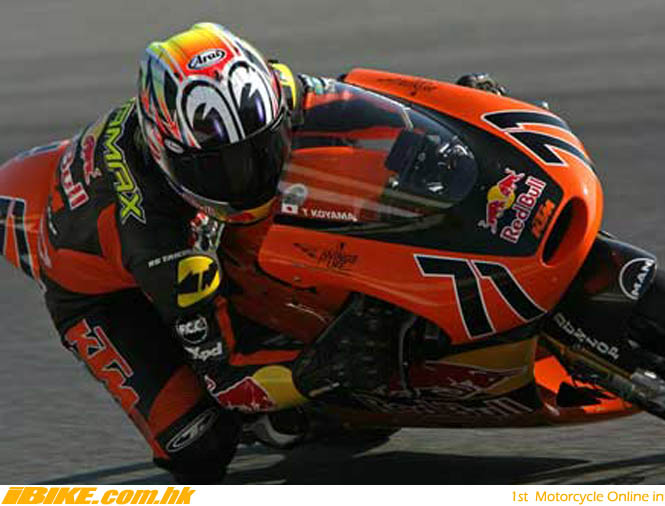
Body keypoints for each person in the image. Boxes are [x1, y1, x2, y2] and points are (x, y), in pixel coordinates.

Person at [2, 22, 508, 483]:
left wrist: (454, 113)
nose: (245, 178)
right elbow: (227, 378)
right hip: (101, 295)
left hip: (198, 219)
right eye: (217, 169)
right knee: (198, 445)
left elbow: (360, 99)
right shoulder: (156, 238)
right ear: (166, 153)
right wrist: (320, 370)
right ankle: (274, 420)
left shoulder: (273, 89)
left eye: (258, 152)